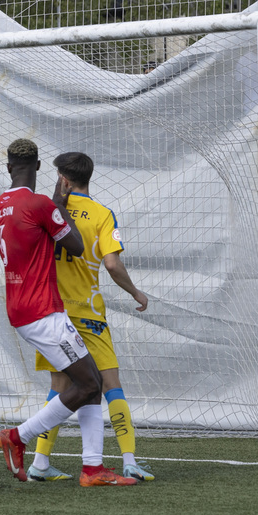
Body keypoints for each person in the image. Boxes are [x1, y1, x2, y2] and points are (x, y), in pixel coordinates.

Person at [0, 139, 137, 487]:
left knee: (89, 384)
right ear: (39, 168)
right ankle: (17, 436)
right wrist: (57, 204)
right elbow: (75, 245)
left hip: (20, 305)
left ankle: (91, 468)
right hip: (44, 310)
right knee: (90, 383)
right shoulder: (41, 203)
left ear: (9, 167)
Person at [27, 152, 154, 482]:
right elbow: (111, 264)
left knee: (59, 386)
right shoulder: (101, 214)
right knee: (110, 385)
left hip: (53, 314)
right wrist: (136, 293)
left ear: (64, 181)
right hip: (89, 314)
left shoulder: (46, 210)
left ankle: (40, 462)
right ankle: (128, 461)